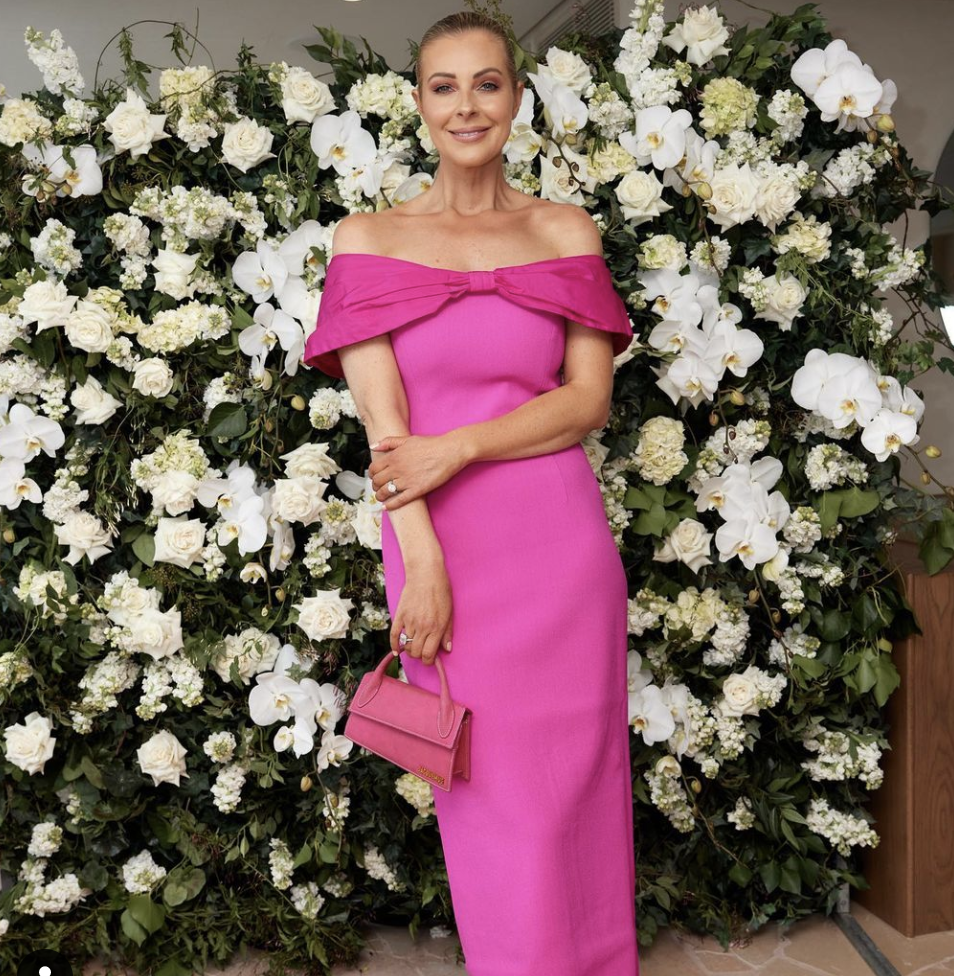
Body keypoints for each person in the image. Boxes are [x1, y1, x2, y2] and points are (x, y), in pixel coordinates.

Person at [302, 11, 640, 975]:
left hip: (560, 546)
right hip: (442, 549)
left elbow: (586, 403)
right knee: (489, 795)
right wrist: (423, 560)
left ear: (516, 99)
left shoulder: (561, 228)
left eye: (486, 84)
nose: (467, 105)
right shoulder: (366, 239)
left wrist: (460, 447)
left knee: (577, 789)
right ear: (417, 105)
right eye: (444, 86)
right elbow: (385, 431)